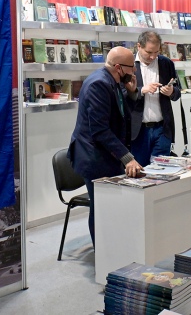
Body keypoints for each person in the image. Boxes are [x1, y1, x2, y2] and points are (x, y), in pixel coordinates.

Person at [67, 46, 143, 246]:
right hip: (94, 158)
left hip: (106, 155)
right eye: (131, 68)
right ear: (118, 67)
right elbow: (100, 130)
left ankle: (113, 250)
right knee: (101, 209)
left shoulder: (113, 81)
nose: (134, 72)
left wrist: (132, 93)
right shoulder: (98, 84)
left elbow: (121, 115)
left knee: (111, 208)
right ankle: (102, 256)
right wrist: (127, 157)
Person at [127, 31, 182, 166]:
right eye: (149, 52)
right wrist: (141, 91)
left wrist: (171, 92)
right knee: (140, 172)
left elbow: (178, 91)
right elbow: (121, 94)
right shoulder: (128, 65)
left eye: (156, 52)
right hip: (138, 131)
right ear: (138, 46)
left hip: (162, 128)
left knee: (162, 171)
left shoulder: (166, 63)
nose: (152, 57)